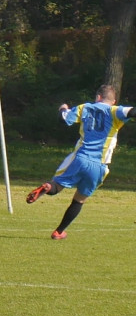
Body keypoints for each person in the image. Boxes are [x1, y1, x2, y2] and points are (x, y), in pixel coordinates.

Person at [26, 84, 134, 239]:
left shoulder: (85, 108)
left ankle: (48, 187)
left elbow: (63, 119)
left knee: (57, 185)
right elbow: (132, 112)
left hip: (81, 158)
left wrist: (63, 108)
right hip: (100, 165)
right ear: (114, 101)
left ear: (97, 97)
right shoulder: (115, 111)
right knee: (80, 199)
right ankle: (58, 231)